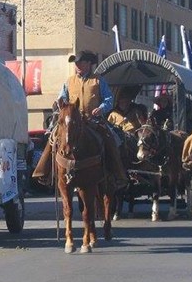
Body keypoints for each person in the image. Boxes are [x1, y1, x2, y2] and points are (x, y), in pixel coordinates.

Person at [32, 50, 125, 186]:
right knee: (53, 137)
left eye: (80, 63)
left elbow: (109, 99)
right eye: (76, 63)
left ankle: (117, 174)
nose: (77, 66)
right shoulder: (69, 81)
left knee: (111, 138)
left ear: (88, 64)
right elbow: (62, 97)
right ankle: (44, 172)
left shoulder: (98, 80)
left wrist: (101, 108)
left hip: (93, 120)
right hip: (72, 121)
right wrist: (60, 104)